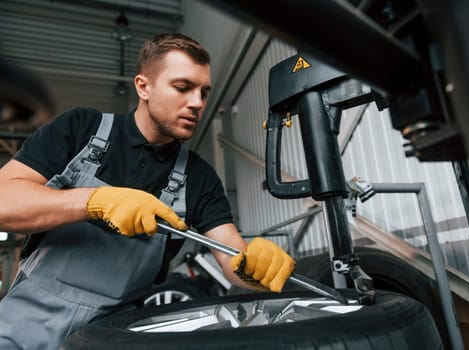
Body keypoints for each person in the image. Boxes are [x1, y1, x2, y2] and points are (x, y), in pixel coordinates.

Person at [0, 33, 295, 349]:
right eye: (182, 88)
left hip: (112, 337)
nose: (197, 103)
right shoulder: (80, 129)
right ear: (143, 86)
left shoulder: (199, 178)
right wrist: (94, 200)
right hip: (22, 326)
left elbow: (230, 255)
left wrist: (251, 268)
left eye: (204, 93)